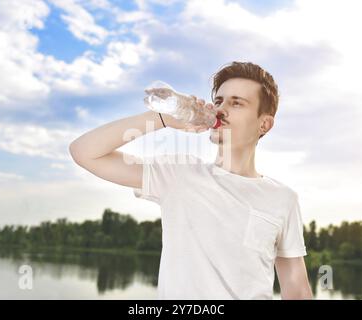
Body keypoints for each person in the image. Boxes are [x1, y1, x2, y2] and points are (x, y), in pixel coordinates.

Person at [69, 61, 313, 300]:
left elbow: (297, 290)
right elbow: (84, 152)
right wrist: (161, 119)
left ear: (264, 124)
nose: (221, 109)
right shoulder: (179, 173)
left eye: (236, 103)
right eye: (218, 101)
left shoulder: (283, 199)